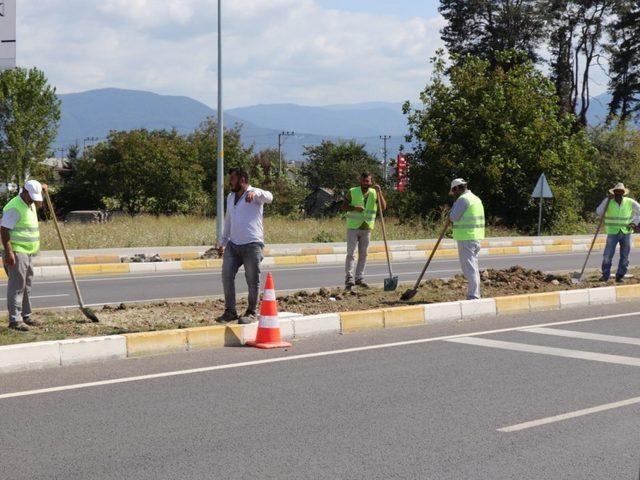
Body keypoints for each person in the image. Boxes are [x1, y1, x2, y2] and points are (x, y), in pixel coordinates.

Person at [216, 168, 273, 324]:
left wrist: (257, 194)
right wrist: (222, 241)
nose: (230, 182)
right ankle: (230, 311)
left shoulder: (255, 194)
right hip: (233, 245)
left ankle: (251, 312)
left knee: (252, 280)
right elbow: (228, 220)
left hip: (252, 244)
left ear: (242, 180)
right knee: (226, 275)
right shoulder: (230, 196)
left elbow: (270, 197)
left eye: (233, 179)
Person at [1, 180, 45, 331]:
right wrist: (9, 252)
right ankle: (15, 320)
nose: (33, 199)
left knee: (27, 285)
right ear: (23, 191)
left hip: (29, 251)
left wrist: (43, 188)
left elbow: (38, 190)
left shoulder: (29, 202)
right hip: (16, 252)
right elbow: (4, 230)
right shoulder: (14, 207)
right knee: (17, 286)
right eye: (31, 196)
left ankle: (26, 316)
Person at [341, 172, 386, 290]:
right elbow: (344, 206)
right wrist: (354, 208)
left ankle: (359, 278)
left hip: (367, 227)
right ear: (360, 180)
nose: (366, 183)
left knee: (363, 255)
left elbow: (383, 207)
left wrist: (379, 192)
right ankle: (349, 279)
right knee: (351, 254)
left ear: (371, 182)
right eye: (364, 181)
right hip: (353, 227)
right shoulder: (353, 191)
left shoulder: (374, 192)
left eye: (368, 181)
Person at [596, 182, 640, 283]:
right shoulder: (608, 202)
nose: (618, 194)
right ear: (614, 193)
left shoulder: (629, 202)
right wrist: (606, 199)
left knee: (625, 256)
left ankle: (620, 275)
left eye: (620, 192)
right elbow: (599, 211)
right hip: (612, 232)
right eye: (616, 192)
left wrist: (634, 222)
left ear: (623, 193)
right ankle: (605, 275)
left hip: (626, 232)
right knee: (607, 255)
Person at [449, 178, 485, 300]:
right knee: (473, 267)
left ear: (457, 188)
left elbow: (454, 217)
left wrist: (454, 205)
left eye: (454, 191)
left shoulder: (463, 199)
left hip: (467, 238)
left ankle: (474, 295)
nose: (453, 194)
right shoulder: (475, 198)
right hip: (476, 237)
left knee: (469, 268)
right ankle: (475, 293)